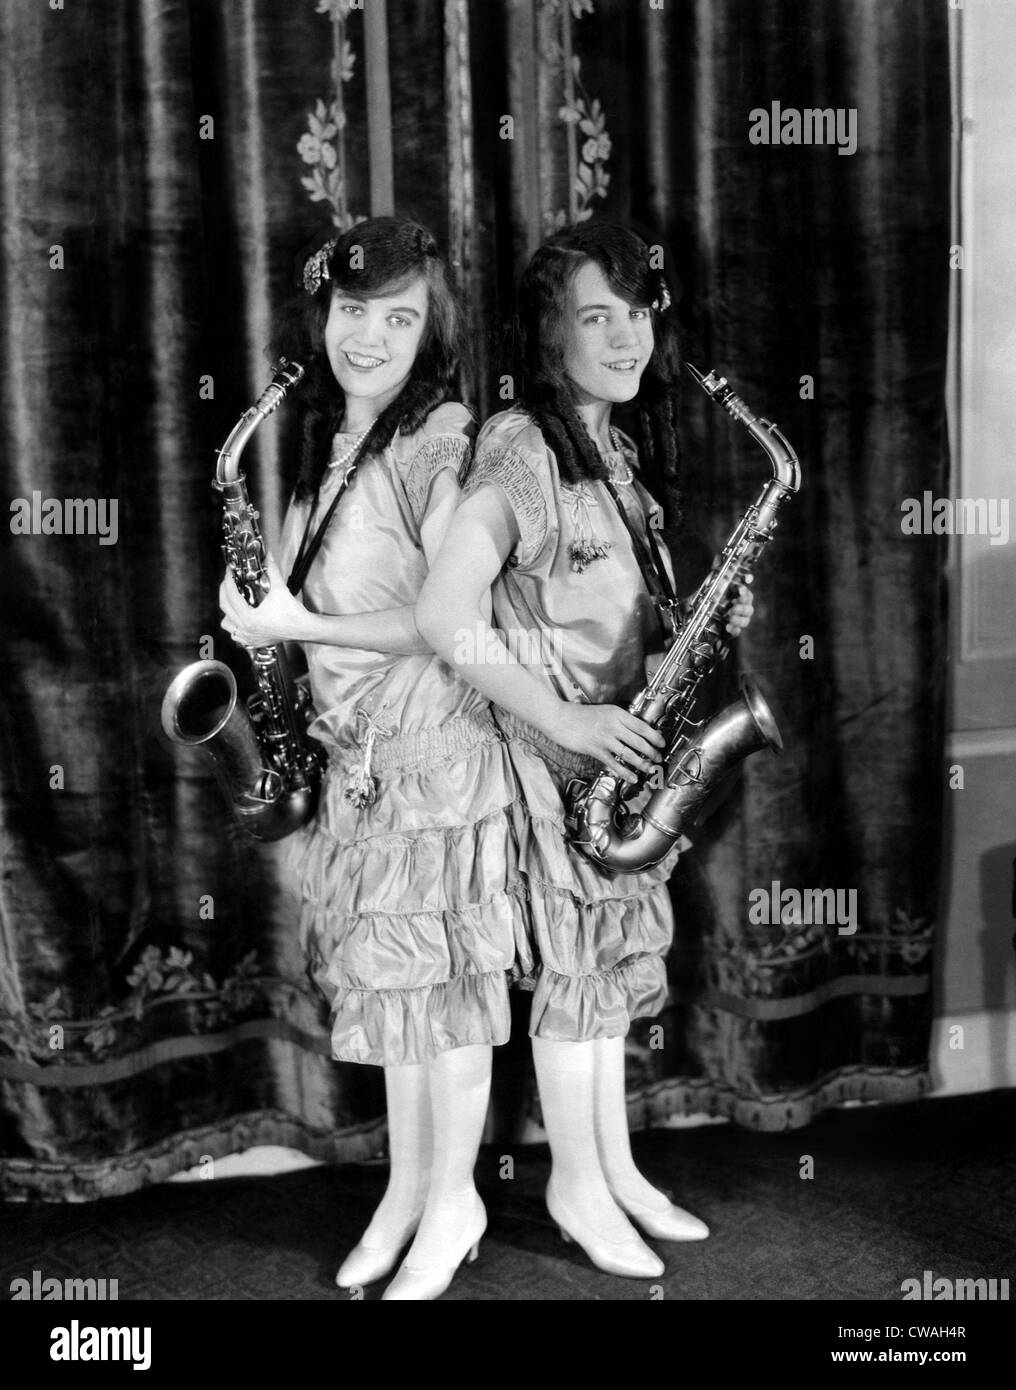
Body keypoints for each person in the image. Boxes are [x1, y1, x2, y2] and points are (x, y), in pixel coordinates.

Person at [415, 221, 753, 1281]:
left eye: (636, 312)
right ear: (548, 333)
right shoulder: (521, 445)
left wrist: (696, 616)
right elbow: (442, 609)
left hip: (620, 756)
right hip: (560, 768)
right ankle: (571, 1182)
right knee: (574, 977)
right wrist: (562, 724)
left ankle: (610, 1166)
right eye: (593, 316)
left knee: (605, 976)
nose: (624, 335)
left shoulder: (608, 445)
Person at [219, 217, 531, 1301]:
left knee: (443, 1001)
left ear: (427, 331)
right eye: (355, 312)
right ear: (325, 312)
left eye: (398, 318)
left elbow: (443, 619)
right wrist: (270, 625)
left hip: (433, 759)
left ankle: (454, 1201)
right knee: (399, 1002)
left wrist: (293, 630)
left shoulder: (439, 435)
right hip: (362, 762)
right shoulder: (335, 440)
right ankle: (408, 1190)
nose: (369, 336)